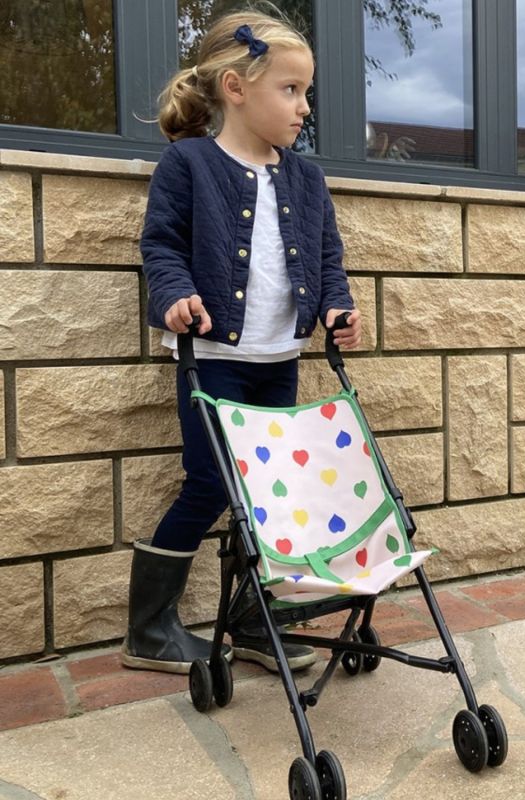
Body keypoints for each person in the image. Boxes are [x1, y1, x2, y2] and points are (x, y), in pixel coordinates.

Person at [121, 8, 362, 675]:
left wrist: (337, 307)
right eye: (291, 90)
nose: (304, 107)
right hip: (214, 360)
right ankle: (148, 628)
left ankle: (255, 617)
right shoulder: (189, 163)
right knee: (208, 485)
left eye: (306, 92)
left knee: (269, 494)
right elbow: (161, 245)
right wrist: (172, 297)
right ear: (236, 87)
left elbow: (328, 257)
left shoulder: (306, 179)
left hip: (277, 358)